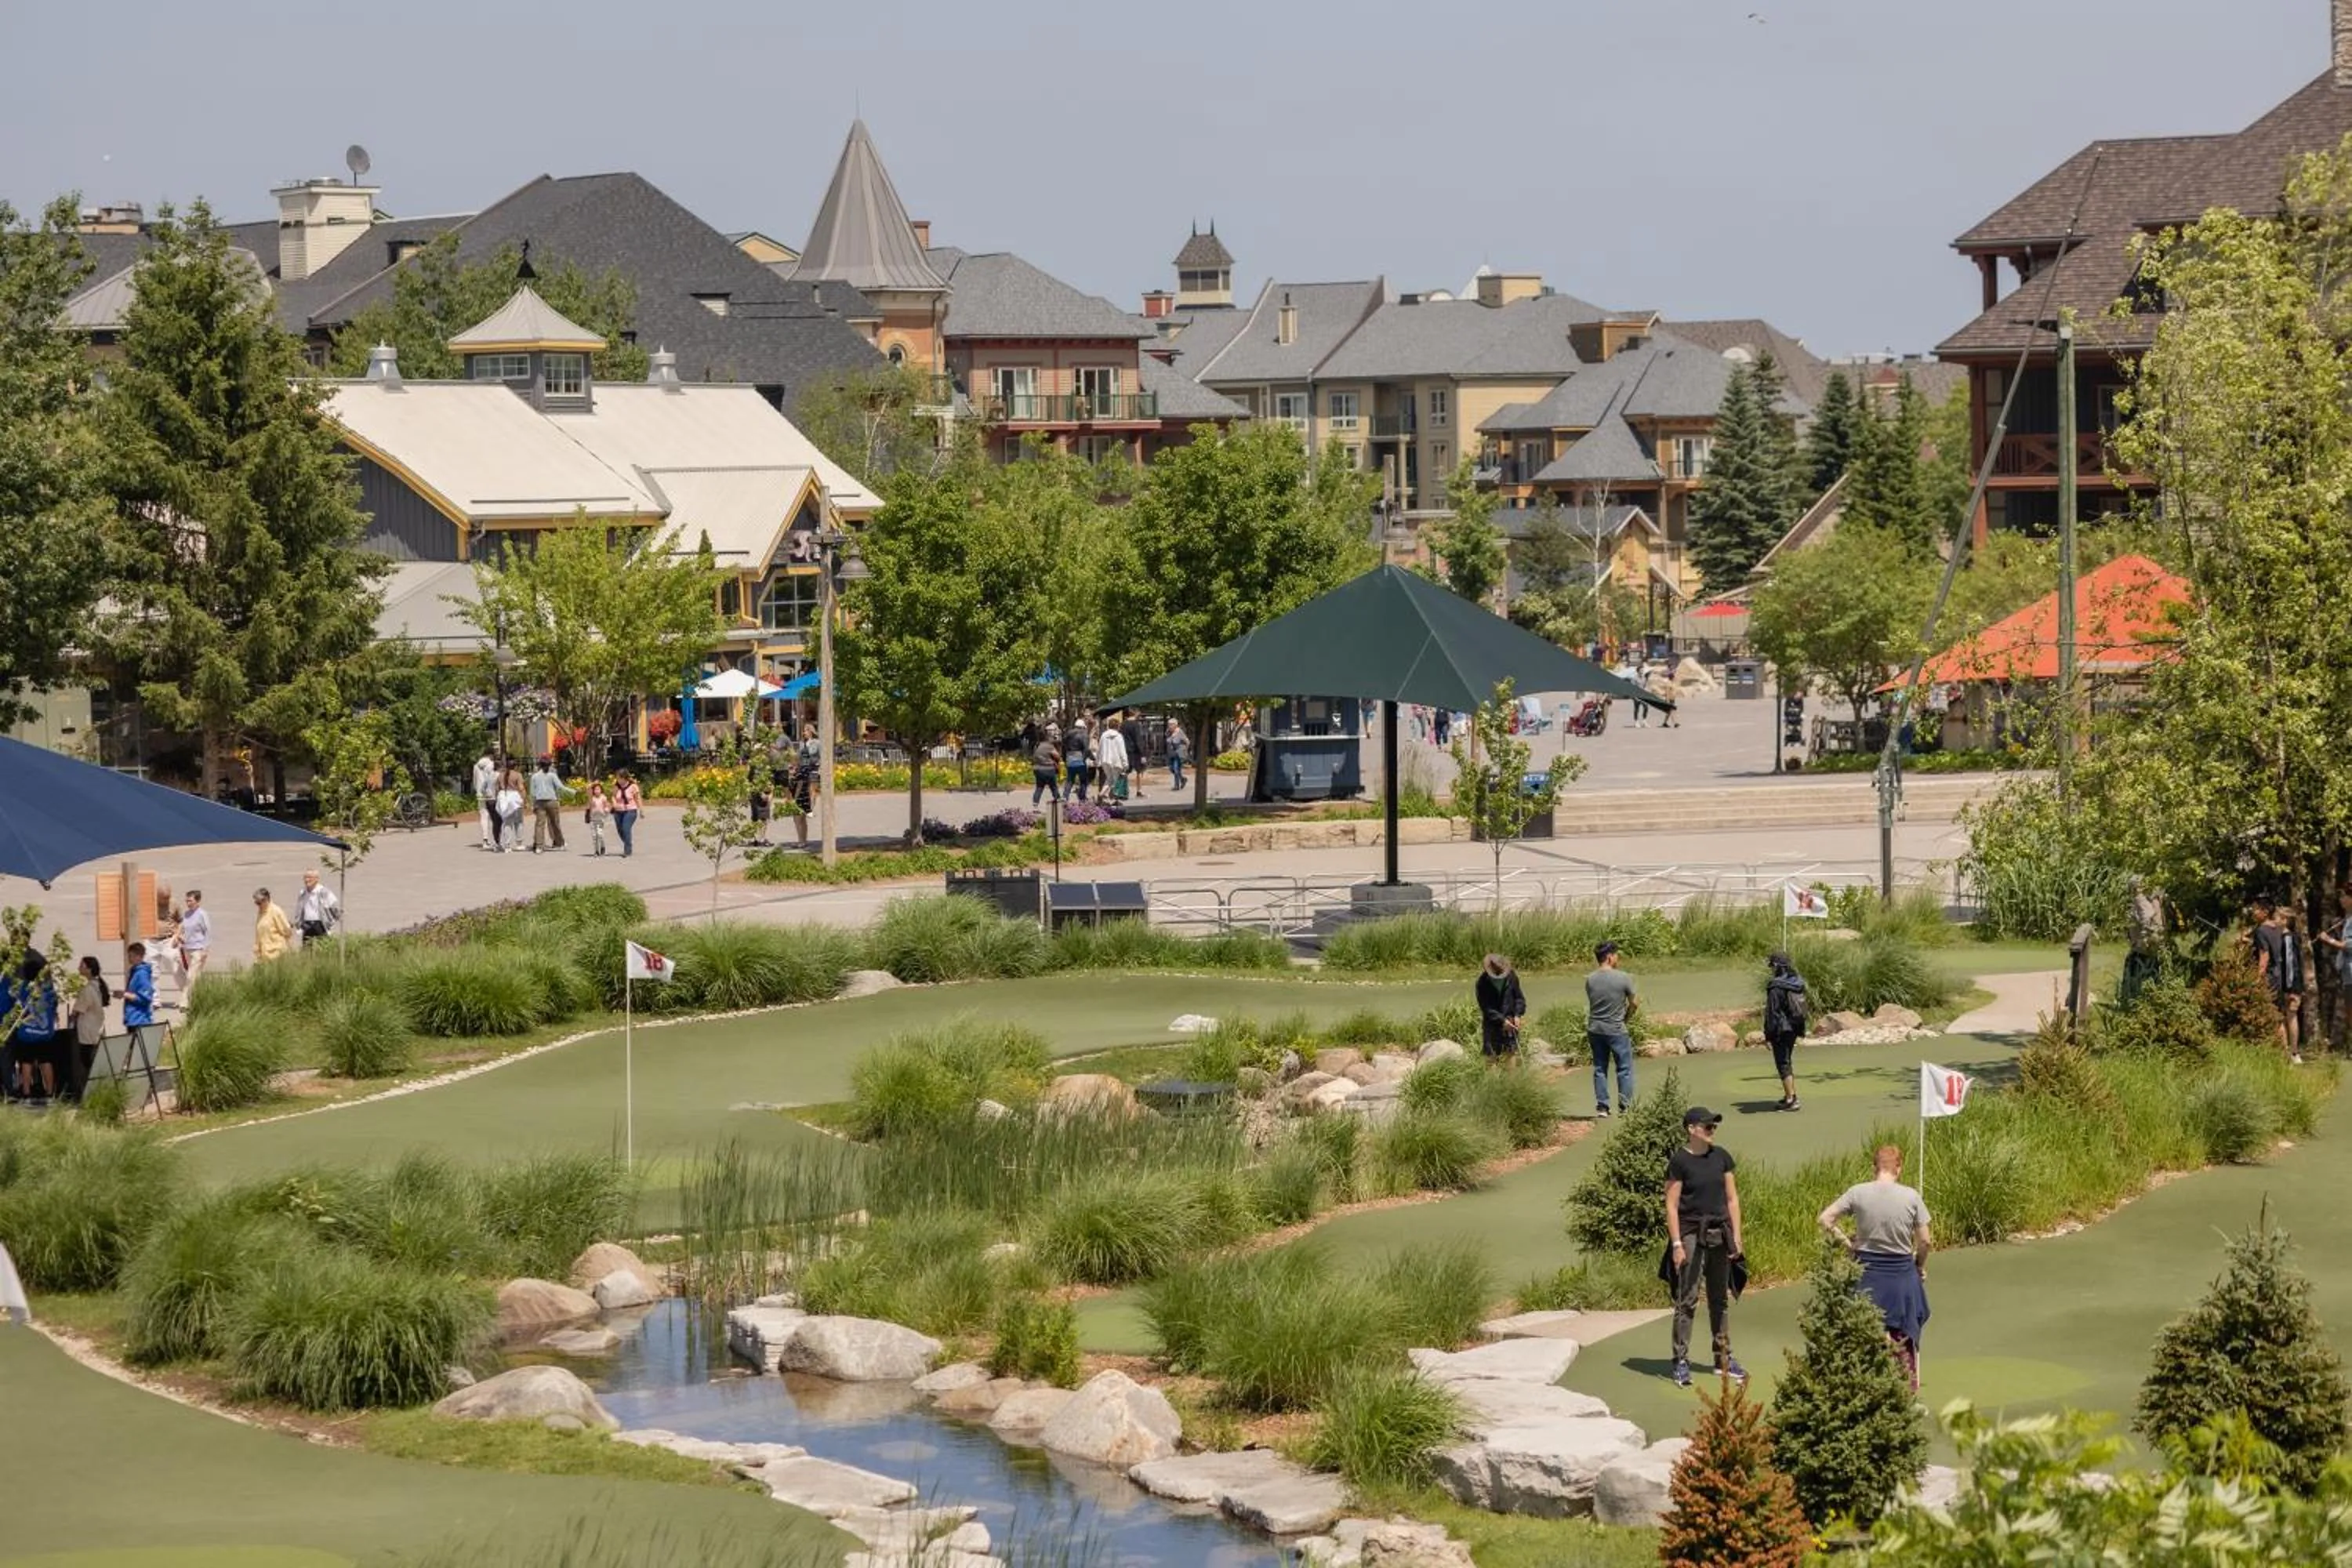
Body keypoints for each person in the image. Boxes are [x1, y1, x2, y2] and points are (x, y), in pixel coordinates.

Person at [1820, 1145, 1933, 1391]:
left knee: (1865, 1336)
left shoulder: (1858, 1192)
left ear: (1875, 1168)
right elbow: (1925, 1241)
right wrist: (1918, 1266)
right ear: (1898, 1169)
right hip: (1901, 1276)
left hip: (1866, 1274)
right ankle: (1906, 1394)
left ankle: (1865, 1391)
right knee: (1903, 1339)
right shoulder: (1911, 1197)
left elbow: (1826, 1219)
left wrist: (1849, 1245)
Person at [1664, 1105, 1746, 1387]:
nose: (1712, 1130)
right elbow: (1671, 1205)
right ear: (1691, 1129)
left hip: (1720, 1233)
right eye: (1707, 1126)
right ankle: (1680, 1361)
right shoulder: (1680, 1161)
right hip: (1691, 1234)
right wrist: (1677, 1244)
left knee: (1719, 1299)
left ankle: (1723, 1359)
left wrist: (1737, 1236)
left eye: (1714, 1126)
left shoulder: (1722, 1157)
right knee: (1687, 1299)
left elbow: (1732, 1199)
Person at [1584, 939, 1638, 1117]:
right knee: (1624, 1068)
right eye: (1616, 955)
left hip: (1595, 1028)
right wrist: (1627, 1017)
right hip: (1616, 1029)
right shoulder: (1623, 978)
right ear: (1609, 957)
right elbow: (1634, 1003)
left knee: (1600, 1068)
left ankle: (1602, 1107)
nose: (1617, 958)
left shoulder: (1590, 979)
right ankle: (1625, 1106)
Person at [2250, 898, 2304, 1063]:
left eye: (2255, 909)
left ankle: (2286, 1053)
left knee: (2278, 1017)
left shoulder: (2267, 932)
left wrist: (2258, 979)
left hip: (2279, 980)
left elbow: (2268, 957)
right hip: (2286, 980)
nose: (2253, 912)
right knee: (2288, 1016)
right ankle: (2292, 1053)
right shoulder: (2283, 933)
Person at [1762, 950, 1809, 1110]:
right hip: (1794, 1028)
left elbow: (1772, 1013)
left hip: (1781, 1030)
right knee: (1787, 1061)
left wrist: (1768, 1036)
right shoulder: (1797, 983)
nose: (1771, 969)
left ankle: (1791, 1099)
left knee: (1782, 1063)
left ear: (1776, 966)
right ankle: (1790, 1095)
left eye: (1772, 966)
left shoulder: (1776, 986)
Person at [67, 956, 108, 1103]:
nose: (79, 968)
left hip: (87, 1033)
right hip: (97, 1030)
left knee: (86, 1066)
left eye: (82, 966)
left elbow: (77, 1010)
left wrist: (71, 1018)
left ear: (89, 969)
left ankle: (87, 1096)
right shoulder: (98, 986)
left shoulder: (88, 989)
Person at [2122, 875, 2167, 1007]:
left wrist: (2143, 939)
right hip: (2143, 948)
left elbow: (2149, 921)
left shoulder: (2141, 900)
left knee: (2141, 979)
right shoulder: (2142, 900)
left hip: (2143, 950)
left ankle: (2139, 1005)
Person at [2318, 887, 2352, 1053]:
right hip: (2347, 973)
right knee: (2349, 1011)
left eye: (2344, 897)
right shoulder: (2347, 919)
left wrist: (2328, 940)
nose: (2341, 900)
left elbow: (2349, 946)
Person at [1475, 953, 1527, 1061]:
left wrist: (1518, 1015)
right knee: (1491, 1055)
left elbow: (1519, 998)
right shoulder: (1482, 983)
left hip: (1510, 1021)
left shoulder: (1512, 977)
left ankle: (1512, 1072)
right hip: (1492, 1023)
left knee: (1511, 1052)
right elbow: (1486, 1008)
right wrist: (1502, 1020)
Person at [528, 757, 572, 852]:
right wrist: (572, 791)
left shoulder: (535, 777)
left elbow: (532, 793)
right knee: (555, 823)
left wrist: (533, 804)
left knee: (540, 824)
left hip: (540, 801)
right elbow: (560, 787)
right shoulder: (552, 775)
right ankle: (559, 843)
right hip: (552, 801)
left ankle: (539, 845)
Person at [175, 890, 212, 993]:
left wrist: (205, 950)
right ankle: (200, 995)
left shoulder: (202, 914)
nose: (188, 903)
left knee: (191, 976)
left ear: (198, 901)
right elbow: (184, 929)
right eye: (187, 901)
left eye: (190, 901)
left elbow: (208, 932)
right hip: (187, 949)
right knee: (196, 976)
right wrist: (180, 938)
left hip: (198, 950)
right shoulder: (186, 914)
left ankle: (185, 999)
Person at [293, 869, 339, 946]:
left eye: (310, 877)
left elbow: (335, 907)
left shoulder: (324, 892)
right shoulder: (303, 893)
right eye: (305, 877)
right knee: (307, 948)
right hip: (307, 924)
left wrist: (332, 921)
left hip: (321, 924)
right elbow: (299, 910)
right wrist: (298, 923)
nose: (307, 880)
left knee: (324, 947)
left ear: (317, 879)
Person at [252, 887, 294, 964]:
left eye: (259, 903)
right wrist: (257, 949)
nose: (258, 906)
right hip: (265, 954)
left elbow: (287, 930)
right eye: (256, 903)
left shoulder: (276, 911)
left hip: (276, 953)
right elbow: (259, 932)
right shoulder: (261, 912)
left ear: (266, 900)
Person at [1098, 717, 1131, 802]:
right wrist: (1125, 763)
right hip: (1116, 761)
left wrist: (1098, 761)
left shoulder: (1103, 735)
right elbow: (1122, 751)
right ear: (1117, 726)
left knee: (1109, 779)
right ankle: (1112, 799)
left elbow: (1100, 748)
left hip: (1105, 760)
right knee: (1116, 781)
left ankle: (1103, 794)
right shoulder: (1119, 736)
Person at [495, 764, 527, 852]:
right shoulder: (517, 775)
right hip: (514, 798)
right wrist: (524, 800)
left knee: (507, 822)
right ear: (515, 766)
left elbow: (497, 788)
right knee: (519, 822)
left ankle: (507, 845)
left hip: (504, 797)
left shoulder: (500, 775)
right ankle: (519, 844)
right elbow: (521, 788)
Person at [612, 771, 643, 858]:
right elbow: (613, 796)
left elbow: (638, 798)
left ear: (624, 778)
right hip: (618, 811)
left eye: (619, 778)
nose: (617, 780)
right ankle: (628, 842)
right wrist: (614, 803)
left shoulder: (633, 786)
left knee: (626, 828)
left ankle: (627, 851)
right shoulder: (616, 786)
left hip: (630, 811)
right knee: (620, 830)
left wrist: (641, 810)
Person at [472, 750, 499, 850]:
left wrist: (478, 790)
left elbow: (475, 781)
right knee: (495, 817)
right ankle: (497, 839)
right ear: (490, 755)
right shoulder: (491, 765)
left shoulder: (476, 766)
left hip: (480, 793)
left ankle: (485, 839)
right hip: (491, 794)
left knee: (484, 816)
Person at [1032, 725, 1062, 806]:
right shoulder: (1049, 746)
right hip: (1048, 769)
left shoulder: (1037, 746)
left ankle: (1035, 802)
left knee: (1039, 787)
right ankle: (1058, 799)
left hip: (1037, 769)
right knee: (1053, 786)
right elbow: (1057, 757)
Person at [1065, 719, 1094, 802]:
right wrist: (1090, 758)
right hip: (1080, 758)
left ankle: (1065, 796)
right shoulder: (1084, 735)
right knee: (1083, 780)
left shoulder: (1068, 734)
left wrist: (1065, 758)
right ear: (1082, 727)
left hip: (1070, 758)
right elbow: (1086, 749)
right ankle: (1082, 798)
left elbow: (1064, 746)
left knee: (1070, 780)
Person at [586, 780, 613, 857]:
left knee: (600, 834)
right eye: (595, 789)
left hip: (601, 819)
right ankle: (596, 851)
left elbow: (607, 806)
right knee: (594, 836)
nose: (597, 791)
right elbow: (587, 788)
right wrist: (593, 783)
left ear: (601, 790)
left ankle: (602, 847)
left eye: (598, 789)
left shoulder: (603, 798)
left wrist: (606, 810)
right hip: (593, 819)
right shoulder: (591, 798)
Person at [1166, 717, 1189, 792]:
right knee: (1171, 768)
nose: (1170, 726)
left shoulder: (1180, 732)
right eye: (1169, 724)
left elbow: (1187, 741)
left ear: (1176, 725)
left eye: (1171, 725)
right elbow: (1168, 741)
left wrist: (1184, 750)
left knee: (1176, 769)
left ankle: (1176, 785)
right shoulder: (1168, 732)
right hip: (1171, 754)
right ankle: (1183, 779)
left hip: (1178, 754)